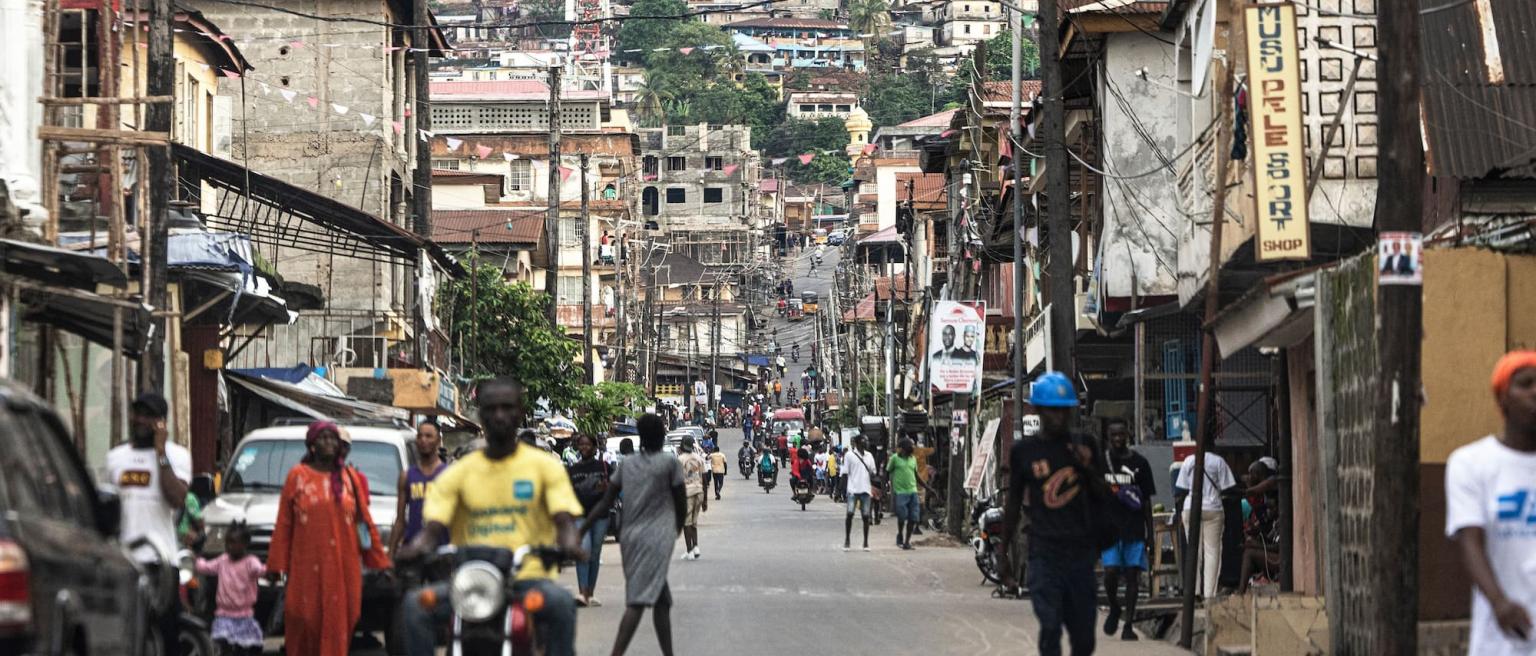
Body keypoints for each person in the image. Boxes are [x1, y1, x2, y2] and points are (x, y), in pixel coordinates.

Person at [398, 378, 584, 656]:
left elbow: (563, 519)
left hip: (526, 579)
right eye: (491, 408)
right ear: (481, 414)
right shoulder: (459, 473)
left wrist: (569, 543)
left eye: (507, 408)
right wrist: (416, 547)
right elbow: (434, 527)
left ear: (519, 412)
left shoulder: (544, 467)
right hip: (471, 583)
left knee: (561, 604)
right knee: (414, 606)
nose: (499, 415)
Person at [999, 372, 1105, 656]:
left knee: (1084, 638)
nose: (1058, 417)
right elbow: (1012, 504)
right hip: (1045, 554)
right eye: (1051, 410)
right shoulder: (1024, 451)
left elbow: (1103, 495)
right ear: (1039, 410)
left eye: (1063, 410)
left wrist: (1086, 468)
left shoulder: (1086, 446)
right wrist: (1003, 554)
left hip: (1080, 555)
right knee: (1050, 627)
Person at [267, 420, 391, 656]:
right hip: (305, 571)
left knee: (339, 624)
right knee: (304, 620)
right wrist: (276, 565)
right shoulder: (297, 476)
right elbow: (284, 524)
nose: (330, 442)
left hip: (343, 570)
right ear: (312, 445)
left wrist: (380, 562)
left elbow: (364, 523)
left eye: (333, 438)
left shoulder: (350, 478)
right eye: (324, 437)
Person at [1447, 351, 1536, 654]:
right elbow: (1470, 540)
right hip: (1501, 641)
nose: (1535, 391)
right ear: (1503, 399)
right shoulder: (1472, 464)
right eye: (1526, 384)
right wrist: (1499, 602)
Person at [583, 414, 687, 656]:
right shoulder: (669, 464)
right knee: (638, 601)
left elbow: (605, 502)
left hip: (629, 536)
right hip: (658, 536)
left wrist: (583, 527)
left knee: (662, 600)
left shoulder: (627, 464)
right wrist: (677, 527)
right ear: (661, 436)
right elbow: (680, 501)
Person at [105, 392, 191, 656]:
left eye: (149, 415)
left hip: (161, 562)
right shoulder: (116, 457)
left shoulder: (177, 456)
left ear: (161, 422)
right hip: (126, 561)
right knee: (126, 636)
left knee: (166, 636)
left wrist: (161, 453)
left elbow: (176, 499)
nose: (141, 420)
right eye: (138, 413)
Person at [1100, 418, 1157, 641]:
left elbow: (1146, 502)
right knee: (1111, 572)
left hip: (1134, 529)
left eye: (1121, 435)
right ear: (1108, 437)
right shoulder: (1101, 463)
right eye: (1113, 435)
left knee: (1132, 577)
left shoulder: (1140, 464)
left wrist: (1150, 534)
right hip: (1108, 530)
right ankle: (1114, 606)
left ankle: (1128, 625)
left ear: (1128, 435)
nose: (1117, 439)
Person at [1176, 445, 1238, 601]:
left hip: (1190, 507)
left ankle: (1194, 592)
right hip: (1213, 509)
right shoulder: (1218, 461)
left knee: (1193, 551)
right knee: (1212, 552)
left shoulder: (1188, 461)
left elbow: (1181, 490)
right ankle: (1209, 595)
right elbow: (1229, 488)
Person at [195, 522, 266, 655]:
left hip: (244, 616)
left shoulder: (250, 562)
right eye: (227, 542)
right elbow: (206, 567)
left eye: (233, 542)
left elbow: (260, 570)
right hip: (224, 615)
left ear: (244, 544)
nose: (229, 546)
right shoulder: (223, 560)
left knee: (242, 649)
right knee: (224, 648)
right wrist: (197, 558)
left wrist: (269, 570)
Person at [567, 434, 613, 607]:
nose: (584, 447)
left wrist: (606, 490)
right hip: (580, 516)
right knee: (583, 551)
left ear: (595, 447)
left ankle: (591, 592)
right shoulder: (573, 470)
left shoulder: (605, 466)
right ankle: (582, 593)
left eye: (587, 444)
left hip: (601, 516)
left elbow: (615, 489)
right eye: (581, 445)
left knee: (594, 554)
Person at [390, 419, 447, 555]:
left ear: (438, 441)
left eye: (428, 436)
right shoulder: (406, 476)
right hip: (412, 550)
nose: (423, 440)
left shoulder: (449, 474)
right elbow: (400, 520)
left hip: (441, 550)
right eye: (420, 436)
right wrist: (391, 553)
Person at [1236, 458, 1281, 596]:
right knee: (1246, 547)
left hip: (1278, 560)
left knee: (1249, 552)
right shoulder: (1274, 522)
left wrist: (1255, 546)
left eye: (1252, 474)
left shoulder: (1273, 481)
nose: (1268, 511)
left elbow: (1278, 548)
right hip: (1272, 554)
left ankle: (1240, 593)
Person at [677, 436, 709, 560]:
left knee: (686, 522)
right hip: (699, 491)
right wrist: (705, 500)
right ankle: (696, 547)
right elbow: (705, 479)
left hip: (687, 493)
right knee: (694, 522)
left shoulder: (680, 460)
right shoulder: (699, 459)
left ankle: (689, 550)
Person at [843, 436, 877, 551]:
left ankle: (866, 542)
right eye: (864, 441)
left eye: (867, 441)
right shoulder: (849, 456)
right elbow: (845, 473)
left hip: (866, 490)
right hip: (853, 489)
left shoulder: (869, 456)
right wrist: (840, 490)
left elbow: (873, 471)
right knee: (850, 514)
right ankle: (847, 540)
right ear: (857, 443)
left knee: (866, 516)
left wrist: (873, 475)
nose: (866, 443)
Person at [888, 438, 921, 550]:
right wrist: (884, 490)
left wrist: (928, 488)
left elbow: (916, 475)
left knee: (913, 518)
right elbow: (887, 472)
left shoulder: (913, 459)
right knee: (902, 516)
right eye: (911, 445)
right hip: (900, 492)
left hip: (913, 491)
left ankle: (907, 541)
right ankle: (900, 534)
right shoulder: (894, 459)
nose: (913, 447)